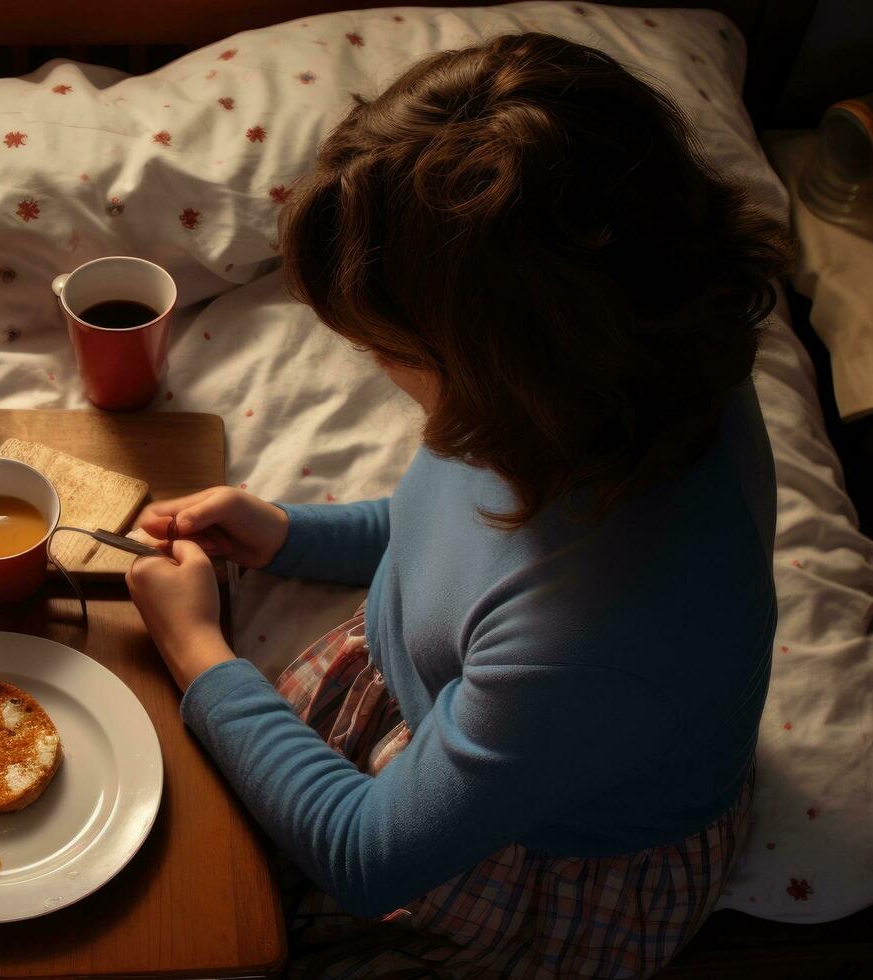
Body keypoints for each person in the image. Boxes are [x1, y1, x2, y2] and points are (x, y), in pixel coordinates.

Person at [126, 33, 793, 978]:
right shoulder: (629, 374)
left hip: (530, 850)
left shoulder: (595, 636)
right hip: (480, 706)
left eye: (389, 351)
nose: (376, 367)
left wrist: (200, 655)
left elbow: (368, 855)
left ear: (505, 370)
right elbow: (457, 537)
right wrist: (288, 534)